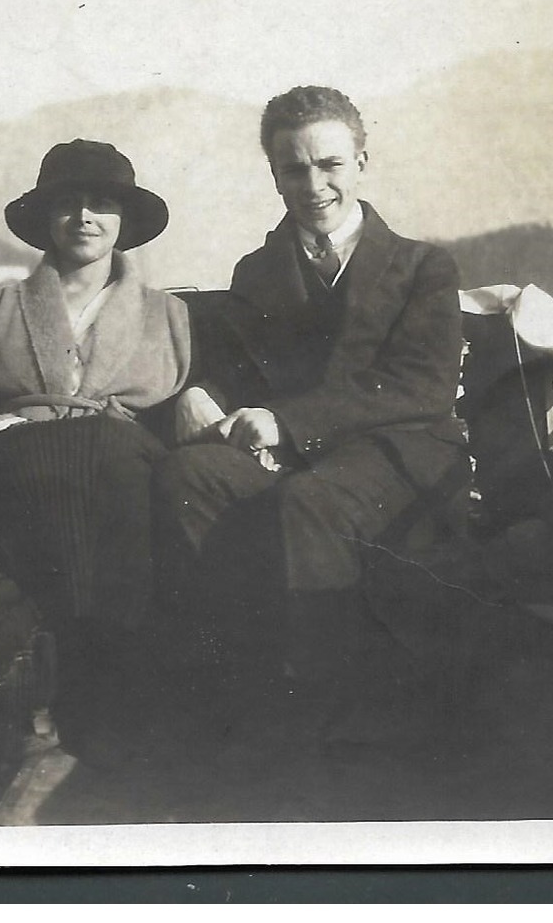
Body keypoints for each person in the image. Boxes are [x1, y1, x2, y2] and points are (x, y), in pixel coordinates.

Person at [154, 86, 474, 717]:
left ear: (361, 161)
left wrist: (285, 421)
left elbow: (422, 387)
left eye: (329, 164)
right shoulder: (258, 271)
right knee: (186, 476)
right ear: (275, 176)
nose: (314, 185)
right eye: (294, 169)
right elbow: (238, 370)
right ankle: (243, 682)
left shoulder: (422, 268)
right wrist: (200, 393)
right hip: (299, 457)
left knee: (308, 503)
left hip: (400, 455)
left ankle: (331, 711)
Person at [0, 138, 190, 764]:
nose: (84, 217)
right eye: (68, 203)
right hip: (15, 476)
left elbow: (176, 414)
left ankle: (79, 673)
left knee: (110, 460)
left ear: (124, 222)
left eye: (102, 204)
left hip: (116, 478)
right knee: (54, 462)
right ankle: (96, 680)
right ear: (45, 219)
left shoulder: (167, 314)